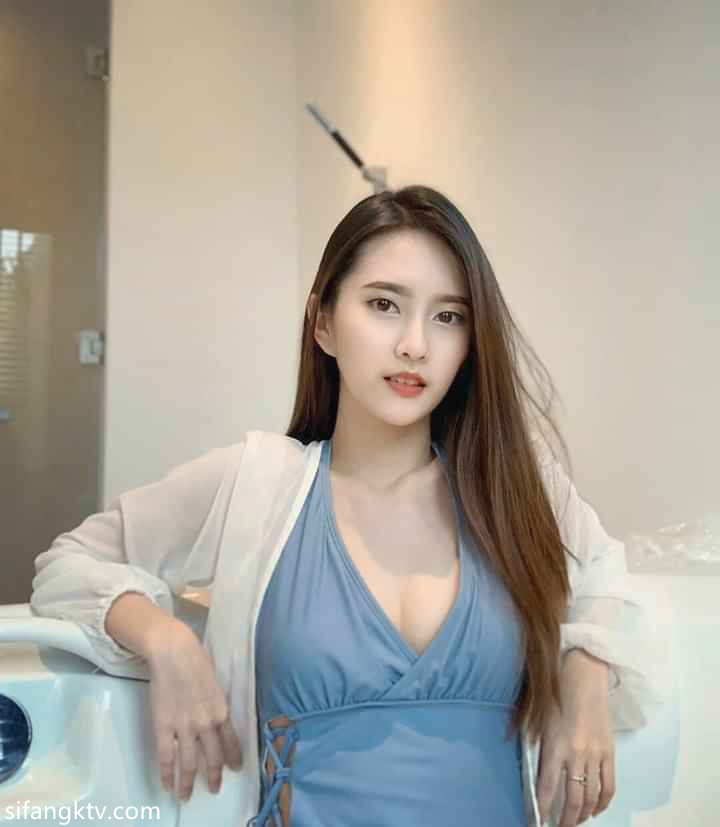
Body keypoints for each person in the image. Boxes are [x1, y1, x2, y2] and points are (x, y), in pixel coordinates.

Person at [31, 185, 667, 827]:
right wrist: (165, 640)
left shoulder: (512, 487)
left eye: (448, 316)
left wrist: (587, 675)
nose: (415, 344)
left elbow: (605, 575)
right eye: (384, 305)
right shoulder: (256, 483)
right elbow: (68, 563)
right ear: (324, 323)